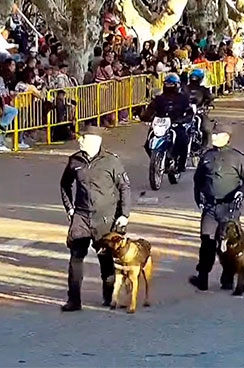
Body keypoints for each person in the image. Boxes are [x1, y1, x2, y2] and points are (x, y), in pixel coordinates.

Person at [59, 124, 131, 312]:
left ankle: (109, 296)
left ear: (94, 141)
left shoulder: (111, 162)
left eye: (83, 138)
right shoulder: (74, 160)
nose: (79, 140)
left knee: (105, 258)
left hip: (105, 218)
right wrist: (70, 209)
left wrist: (124, 215)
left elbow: (124, 188)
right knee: (75, 257)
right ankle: (73, 300)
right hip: (81, 216)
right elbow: (65, 184)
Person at [189, 119, 244, 291]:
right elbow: (198, 180)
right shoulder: (207, 156)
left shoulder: (237, 158)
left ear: (227, 137)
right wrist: (199, 199)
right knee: (207, 242)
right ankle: (202, 277)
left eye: (218, 134)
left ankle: (227, 278)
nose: (214, 137)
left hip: (229, 208)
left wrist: (241, 193)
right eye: (214, 134)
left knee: (229, 244)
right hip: (210, 207)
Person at [139, 72, 192, 170]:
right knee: (148, 143)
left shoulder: (183, 98)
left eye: (171, 84)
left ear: (177, 85)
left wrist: (184, 119)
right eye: (167, 84)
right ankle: (158, 160)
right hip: (160, 125)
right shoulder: (159, 98)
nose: (169, 86)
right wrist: (144, 116)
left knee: (183, 140)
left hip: (176, 124)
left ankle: (181, 164)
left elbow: (189, 112)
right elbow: (150, 109)